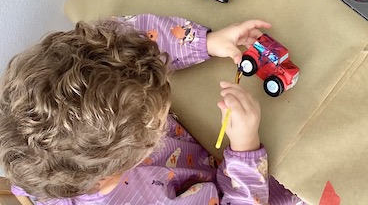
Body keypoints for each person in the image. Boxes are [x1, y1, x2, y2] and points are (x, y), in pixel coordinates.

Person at [0, 14, 305, 205]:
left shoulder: (35, 156)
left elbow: (123, 38)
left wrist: (205, 42)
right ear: (111, 176)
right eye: (154, 116)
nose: (166, 101)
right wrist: (245, 148)